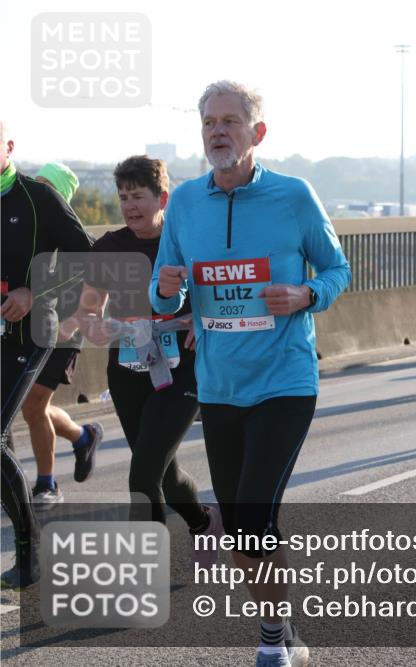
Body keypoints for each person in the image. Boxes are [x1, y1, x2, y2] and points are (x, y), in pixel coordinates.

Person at [149, 81, 352, 667]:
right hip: (219, 385)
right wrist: (166, 290)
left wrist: (307, 292)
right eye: (209, 122)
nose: (218, 131)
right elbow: (166, 295)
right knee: (243, 528)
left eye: (231, 121)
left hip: (286, 380)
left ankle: (270, 644)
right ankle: (281, 620)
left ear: (256, 133)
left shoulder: (293, 196)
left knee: (253, 514)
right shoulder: (185, 202)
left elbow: (338, 269)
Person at [61, 155, 222, 562]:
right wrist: (90, 322)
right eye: (123, 197)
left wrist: (202, 325)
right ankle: (203, 520)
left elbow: (218, 298)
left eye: (138, 196)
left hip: (181, 368)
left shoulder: (188, 242)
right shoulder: (111, 245)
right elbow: (89, 307)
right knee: (162, 472)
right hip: (128, 369)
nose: (129, 205)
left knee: (143, 473)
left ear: (162, 197)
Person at [1, 120, 96, 589]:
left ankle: (29, 552)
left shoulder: (37, 197)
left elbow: (88, 257)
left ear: (9, 146)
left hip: (32, 334)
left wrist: (33, 291)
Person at [18, 161, 104, 509]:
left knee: (34, 403)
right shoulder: (25, 230)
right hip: (26, 329)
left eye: (45, 187)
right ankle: (82, 436)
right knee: (30, 406)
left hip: (64, 331)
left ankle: (46, 484)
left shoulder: (74, 237)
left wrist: (75, 322)